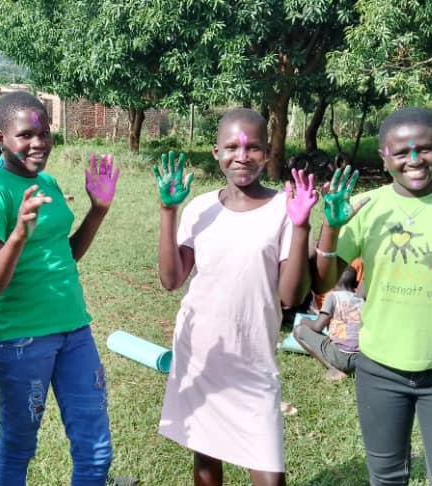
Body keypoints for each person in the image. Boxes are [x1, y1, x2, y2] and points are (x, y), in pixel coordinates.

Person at [313, 106, 432, 486]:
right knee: (386, 478)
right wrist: (330, 229)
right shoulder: (366, 208)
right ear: (384, 156)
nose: (414, 160)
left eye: (425, 149)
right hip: (379, 367)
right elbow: (322, 283)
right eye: (401, 153)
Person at [156, 108, 316, 486]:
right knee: (207, 461)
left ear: (268, 153)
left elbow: (291, 296)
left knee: (269, 473)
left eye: (253, 147)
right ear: (216, 152)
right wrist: (167, 211)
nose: (242, 156)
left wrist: (302, 224)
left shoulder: (284, 209)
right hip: (202, 352)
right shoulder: (200, 208)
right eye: (231, 147)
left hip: (254, 357)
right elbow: (171, 279)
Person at [0, 91, 120, 485]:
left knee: (96, 450)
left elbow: (66, 254)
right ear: (1, 137)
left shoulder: (48, 181)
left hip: (75, 330)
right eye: (26, 135)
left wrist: (98, 210)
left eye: (45, 133)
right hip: (22, 337)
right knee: (20, 446)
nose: (38, 143)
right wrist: (19, 233)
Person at [293, 265, 364, 381]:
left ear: (332, 283)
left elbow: (318, 327)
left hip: (341, 355)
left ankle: (334, 369)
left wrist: (306, 321)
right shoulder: (361, 301)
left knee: (298, 330)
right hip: (359, 360)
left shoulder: (333, 297)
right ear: (356, 284)